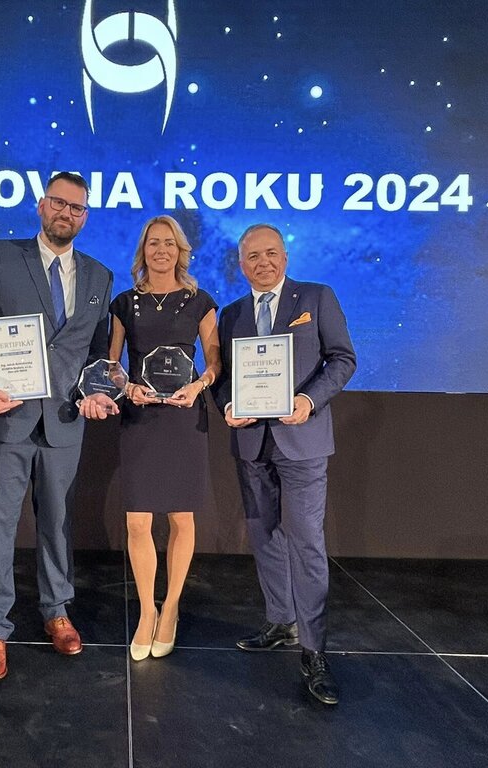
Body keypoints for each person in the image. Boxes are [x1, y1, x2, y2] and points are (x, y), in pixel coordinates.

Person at [0, 172, 116, 681]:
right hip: (5, 416)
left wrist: (97, 391)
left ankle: (57, 610)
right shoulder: (0, 256)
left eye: (76, 207)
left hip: (65, 422)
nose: (66, 213)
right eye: (58, 203)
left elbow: (96, 352)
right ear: (42, 206)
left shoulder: (99, 276)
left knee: (58, 523)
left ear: (85, 216)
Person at [214, 223, 356, 705]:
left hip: (303, 441)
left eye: (271, 253)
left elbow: (343, 359)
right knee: (265, 537)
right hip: (251, 443)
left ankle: (314, 651)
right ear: (241, 264)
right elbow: (221, 378)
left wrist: (309, 400)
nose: (263, 263)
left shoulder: (316, 297)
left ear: (286, 257)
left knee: (307, 542)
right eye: (253, 256)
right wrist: (227, 405)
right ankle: (281, 621)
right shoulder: (232, 314)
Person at [107, 215, 221, 661]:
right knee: (137, 521)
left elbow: (215, 362)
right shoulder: (124, 303)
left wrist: (198, 386)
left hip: (183, 417)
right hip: (141, 418)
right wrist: (126, 387)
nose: (161, 250)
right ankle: (146, 611)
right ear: (143, 250)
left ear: (180, 251)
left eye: (169, 243)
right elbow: (112, 364)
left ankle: (170, 607)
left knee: (181, 518)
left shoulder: (200, 301)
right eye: (153, 243)